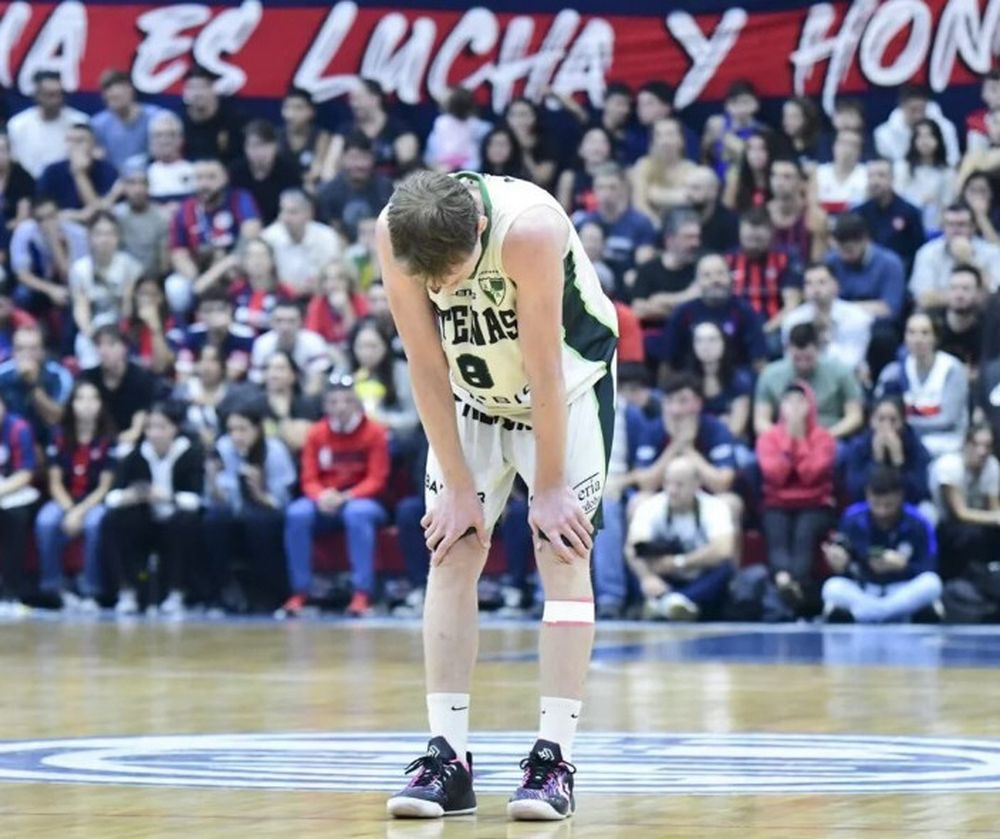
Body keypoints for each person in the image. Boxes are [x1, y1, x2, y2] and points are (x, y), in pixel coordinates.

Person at [377, 170, 618, 821]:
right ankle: (448, 756)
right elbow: (426, 365)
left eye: (449, 275)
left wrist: (548, 488)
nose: (439, 289)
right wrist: (457, 487)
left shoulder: (528, 229)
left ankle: (553, 759)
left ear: (478, 232)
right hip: (473, 399)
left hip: (564, 392)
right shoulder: (396, 231)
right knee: (451, 548)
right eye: (427, 278)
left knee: (561, 548)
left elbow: (543, 366)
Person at [280, 376, 390, 619]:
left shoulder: (374, 432)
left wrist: (347, 496)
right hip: (325, 500)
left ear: (357, 403)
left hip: (363, 501)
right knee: (297, 513)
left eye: (347, 401)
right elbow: (308, 478)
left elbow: (377, 479)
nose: (340, 407)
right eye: (333, 401)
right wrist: (321, 496)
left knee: (357, 513)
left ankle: (362, 593)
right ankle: (300, 591)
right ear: (325, 405)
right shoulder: (316, 433)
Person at [103, 400, 204, 617]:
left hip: (175, 522)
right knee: (114, 520)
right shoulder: (137, 454)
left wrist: (167, 497)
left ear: (174, 429)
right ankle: (127, 590)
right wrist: (129, 496)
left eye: (161, 427)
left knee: (185, 522)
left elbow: (197, 500)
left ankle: (177, 592)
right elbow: (112, 496)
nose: (154, 433)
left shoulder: (190, 453)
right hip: (144, 520)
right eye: (149, 427)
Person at [203, 403, 297, 612]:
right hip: (234, 512)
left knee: (259, 521)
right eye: (232, 430)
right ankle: (223, 591)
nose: (236, 436)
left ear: (257, 429)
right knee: (213, 520)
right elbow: (218, 499)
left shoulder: (274, 451)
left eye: (243, 429)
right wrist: (212, 481)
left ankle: (269, 593)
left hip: (268, 511)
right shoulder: (223, 447)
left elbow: (284, 501)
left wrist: (260, 493)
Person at [821, 466, 943, 623]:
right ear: (867, 495)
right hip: (865, 590)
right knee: (831, 587)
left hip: (902, 589)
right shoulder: (852, 519)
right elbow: (845, 565)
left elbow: (930, 567)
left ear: (900, 497)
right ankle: (891, 614)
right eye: (876, 504)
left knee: (932, 584)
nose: (882, 512)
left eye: (888, 505)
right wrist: (840, 564)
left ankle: (866, 615)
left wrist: (904, 567)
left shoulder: (918, 522)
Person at [35, 380, 116, 611]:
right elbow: (55, 482)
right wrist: (70, 510)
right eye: (81, 398)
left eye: (93, 398)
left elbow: (104, 487)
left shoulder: (108, 439)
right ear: (72, 404)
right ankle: (53, 587)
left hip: (94, 502)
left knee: (94, 524)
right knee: (46, 521)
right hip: (65, 499)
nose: (87, 404)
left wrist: (80, 512)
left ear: (101, 404)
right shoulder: (59, 436)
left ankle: (91, 589)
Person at [756, 382, 836, 613]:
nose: (793, 407)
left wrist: (798, 439)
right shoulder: (768, 438)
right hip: (777, 503)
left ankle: (795, 584)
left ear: (810, 406)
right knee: (776, 532)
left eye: (800, 401)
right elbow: (776, 475)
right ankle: (784, 581)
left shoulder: (823, 438)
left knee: (804, 533)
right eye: (788, 401)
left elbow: (810, 474)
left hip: (815, 504)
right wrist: (789, 440)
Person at [626, 456, 735, 621]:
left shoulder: (714, 507)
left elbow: (723, 549)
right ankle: (674, 603)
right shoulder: (650, 507)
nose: (672, 490)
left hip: (697, 577)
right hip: (662, 578)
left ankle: (669, 602)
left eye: (679, 484)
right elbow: (632, 548)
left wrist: (680, 562)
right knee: (637, 563)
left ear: (696, 485)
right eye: (668, 483)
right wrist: (647, 577)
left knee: (725, 567)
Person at [167, 158, 261, 317]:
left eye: (211, 177)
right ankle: (183, 327)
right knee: (175, 286)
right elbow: (178, 252)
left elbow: (251, 233)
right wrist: (197, 277)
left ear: (224, 178)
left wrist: (227, 264)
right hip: (202, 271)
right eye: (199, 178)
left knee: (257, 257)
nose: (204, 184)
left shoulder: (239, 199)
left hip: (236, 265)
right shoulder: (185, 209)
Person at [877, 312, 969, 459]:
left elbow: (948, 419)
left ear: (935, 338)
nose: (917, 339)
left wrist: (906, 424)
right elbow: (880, 412)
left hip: (945, 443)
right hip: (906, 441)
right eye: (911, 333)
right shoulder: (894, 372)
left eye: (925, 333)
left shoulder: (951, 369)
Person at [656, 253, 767, 376]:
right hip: (692, 377)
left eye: (720, 273)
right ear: (697, 282)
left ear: (730, 278)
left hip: (735, 377)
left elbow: (759, 359)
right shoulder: (683, 313)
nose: (715, 280)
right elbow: (667, 361)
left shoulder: (744, 310)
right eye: (707, 275)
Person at [754, 323, 863, 439]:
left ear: (818, 348)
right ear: (788, 349)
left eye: (808, 358)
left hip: (830, 436)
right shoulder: (770, 375)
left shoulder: (841, 371)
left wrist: (826, 436)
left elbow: (855, 415)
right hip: (784, 440)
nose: (803, 364)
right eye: (798, 359)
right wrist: (782, 439)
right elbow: (761, 420)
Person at [69, 211, 143, 368]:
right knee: (84, 345)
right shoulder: (79, 269)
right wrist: (91, 335)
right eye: (99, 234)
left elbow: (129, 309)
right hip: (94, 327)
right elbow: (80, 306)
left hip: (122, 327)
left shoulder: (130, 265)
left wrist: (120, 335)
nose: (104, 239)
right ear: (89, 237)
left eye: (110, 234)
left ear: (118, 237)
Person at [725, 207, 802, 351]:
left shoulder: (786, 259)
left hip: (772, 328)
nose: (753, 245)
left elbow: (791, 305)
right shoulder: (728, 260)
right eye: (749, 239)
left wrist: (763, 330)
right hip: (733, 327)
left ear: (771, 234)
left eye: (758, 240)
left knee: (773, 345)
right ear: (740, 234)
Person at [932, 423, 1000, 579]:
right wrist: (997, 518)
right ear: (966, 444)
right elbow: (960, 513)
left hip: (978, 522)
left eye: (987, 446)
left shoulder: (992, 466)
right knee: (970, 535)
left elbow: (994, 507)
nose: (982, 452)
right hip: (947, 522)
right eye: (976, 445)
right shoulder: (949, 466)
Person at [572, 163, 657, 287]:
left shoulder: (640, 223)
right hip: (588, 285)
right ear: (593, 190)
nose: (606, 193)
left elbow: (644, 266)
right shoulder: (582, 222)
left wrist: (637, 274)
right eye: (600, 187)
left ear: (623, 189)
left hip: (625, 288)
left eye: (612, 187)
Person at [9, 195, 88, 325]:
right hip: (38, 282)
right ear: (34, 221)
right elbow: (22, 274)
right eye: (41, 219)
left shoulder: (76, 234)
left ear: (58, 215)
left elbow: (71, 277)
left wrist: (55, 244)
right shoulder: (25, 232)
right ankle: (30, 329)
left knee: (73, 299)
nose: (48, 222)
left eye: (51, 216)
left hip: (68, 284)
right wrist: (50, 289)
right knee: (21, 294)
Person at [841, 394, 932, 509]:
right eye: (881, 419)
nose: (886, 426)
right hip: (869, 506)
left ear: (903, 422)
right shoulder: (859, 446)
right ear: (871, 421)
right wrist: (877, 461)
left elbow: (920, 492)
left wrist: (898, 461)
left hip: (907, 506)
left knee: (928, 511)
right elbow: (856, 492)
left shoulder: (915, 445)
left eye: (893, 420)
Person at [782, 262, 872, 372]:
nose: (815, 289)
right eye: (809, 283)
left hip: (847, 380)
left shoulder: (856, 317)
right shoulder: (793, 320)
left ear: (836, 285)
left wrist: (825, 338)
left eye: (822, 282)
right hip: (804, 380)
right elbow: (789, 361)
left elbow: (850, 363)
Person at [81, 325, 158, 454]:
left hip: (131, 443)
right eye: (99, 345)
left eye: (111, 344)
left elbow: (137, 427)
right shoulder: (88, 378)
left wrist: (122, 439)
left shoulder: (140, 378)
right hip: (96, 439)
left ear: (124, 348)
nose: (103, 351)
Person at [910, 202, 1000, 309]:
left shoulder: (992, 253)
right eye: (950, 224)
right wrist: (966, 297)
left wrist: (969, 260)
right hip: (938, 314)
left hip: (981, 314)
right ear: (942, 227)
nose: (955, 230)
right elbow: (923, 298)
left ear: (973, 227)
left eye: (961, 224)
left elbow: (995, 295)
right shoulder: (927, 253)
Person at [262, 188, 343, 298]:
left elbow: (335, 272)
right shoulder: (268, 237)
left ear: (308, 213)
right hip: (280, 297)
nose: (286, 218)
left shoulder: (327, 237)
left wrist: (316, 285)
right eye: (283, 211)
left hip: (319, 295)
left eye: (293, 212)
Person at [0, 389, 39, 614]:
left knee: (14, 519)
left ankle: (10, 594)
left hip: (16, 493)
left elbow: (26, 473)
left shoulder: (18, 429)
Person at [6, 70, 87, 179]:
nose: (56, 100)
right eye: (50, 95)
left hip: (69, 186)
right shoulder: (17, 125)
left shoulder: (80, 122)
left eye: (59, 94)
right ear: (37, 95)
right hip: (28, 188)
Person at [316, 131, 394, 243]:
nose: (359, 165)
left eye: (364, 158)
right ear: (343, 159)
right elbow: (330, 230)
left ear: (372, 159)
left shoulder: (385, 188)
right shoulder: (328, 191)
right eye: (354, 158)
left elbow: (389, 226)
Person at [0, 324, 72, 445]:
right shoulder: (2, 374)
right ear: (13, 352)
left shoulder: (59, 375)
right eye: (20, 348)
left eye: (32, 349)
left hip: (49, 440)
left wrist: (33, 384)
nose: (26, 354)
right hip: (12, 443)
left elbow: (55, 419)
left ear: (42, 351)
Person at [855, 157, 926, 276]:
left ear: (892, 179)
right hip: (864, 273)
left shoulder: (910, 212)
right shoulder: (858, 213)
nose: (875, 181)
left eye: (881, 175)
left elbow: (919, 252)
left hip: (900, 273)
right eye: (871, 176)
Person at [630, 207, 700, 324]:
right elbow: (638, 310)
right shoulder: (648, 269)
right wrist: (686, 298)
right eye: (688, 237)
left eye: (697, 237)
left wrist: (662, 299)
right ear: (670, 240)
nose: (695, 243)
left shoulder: (700, 267)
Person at [37, 122, 118, 222]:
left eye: (80, 141)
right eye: (69, 140)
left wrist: (80, 174)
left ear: (93, 144)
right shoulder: (52, 171)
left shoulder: (107, 170)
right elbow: (41, 209)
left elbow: (100, 214)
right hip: (61, 225)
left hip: (97, 229)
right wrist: (77, 216)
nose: (73, 146)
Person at [687, 321, 752, 441]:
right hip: (695, 443)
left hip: (732, 442)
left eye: (712, 340)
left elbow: (736, 428)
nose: (705, 346)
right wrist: (719, 423)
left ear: (723, 343)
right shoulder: (685, 382)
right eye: (699, 340)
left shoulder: (740, 380)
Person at [229, 119, 302, 225]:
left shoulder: (290, 170)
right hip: (245, 226)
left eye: (265, 145)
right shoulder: (235, 171)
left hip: (281, 225)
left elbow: (295, 204)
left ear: (275, 146)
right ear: (245, 148)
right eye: (254, 146)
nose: (260, 152)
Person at [171, 290, 255, 381]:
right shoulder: (192, 334)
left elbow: (232, 375)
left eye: (220, 309)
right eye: (208, 311)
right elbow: (183, 373)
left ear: (230, 310)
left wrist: (199, 368)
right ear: (199, 315)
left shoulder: (243, 335)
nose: (215, 315)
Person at [249, 299, 330, 394]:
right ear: (271, 322)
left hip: (305, 394)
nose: (285, 327)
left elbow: (316, 382)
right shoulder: (262, 344)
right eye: (279, 321)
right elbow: (258, 382)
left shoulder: (313, 341)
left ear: (301, 322)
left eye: (291, 321)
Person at [874, 84, 960, 167]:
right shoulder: (883, 134)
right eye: (913, 110)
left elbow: (953, 161)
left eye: (922, 109)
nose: (918, 116)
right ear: (902, 106)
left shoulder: (946, 128)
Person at [893, 118, 954, 235]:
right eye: (920, 136)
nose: (924, 141)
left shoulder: (947, 172)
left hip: (936, 227)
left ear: (938, 140)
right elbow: (897, 198)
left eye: (929, 136)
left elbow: (948, 204)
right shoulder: (902, 167)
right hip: (906, 224)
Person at [629, 117, 697, 222]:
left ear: (681, 140)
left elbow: (690, 200)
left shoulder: (691, 169)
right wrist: (658, 227)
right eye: (658, 135)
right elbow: (639, 204)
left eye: (670, 134)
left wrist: (654, 195)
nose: (664, 141)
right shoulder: (644, 165)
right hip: (650, 227)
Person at [90, 69, 159, 172]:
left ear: (130, 90)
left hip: (149, 177)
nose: (111, 98)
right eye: (109, 97)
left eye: (117, 97)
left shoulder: (155, 118)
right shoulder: (98, 124)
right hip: (113, 179)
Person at [114, 161, 170, 279]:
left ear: (149, 186)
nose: (138, 189)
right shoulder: (115, 215)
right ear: (123, 187)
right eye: (131, 183)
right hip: (121, 279)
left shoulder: (162, 217)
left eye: (142, 183)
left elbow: (164, 265)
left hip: (154, 280)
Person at [259, 350, 321, 456]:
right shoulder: (256, 404)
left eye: (280, 369)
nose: (272, 374)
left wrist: (283, 416)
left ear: (293, 375)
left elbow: (298, 443)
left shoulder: (306, 404)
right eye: (268, 369)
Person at [181, 65, 246, 163]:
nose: (197, 94)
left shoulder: (233, 119)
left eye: (203, 87)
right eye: (192, 88)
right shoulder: (178, 121)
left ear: (213, 89)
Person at [767, 156, 826, 264]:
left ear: (801, 183)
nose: (779, 183)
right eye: (775, 176)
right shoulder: (763, 214)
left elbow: (818, 262)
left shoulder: (814, 217)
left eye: (787, 177)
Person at [424, 87, 492, 173]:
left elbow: (481, 159)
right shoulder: (442, 123)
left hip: (472, 170)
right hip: (443, 169)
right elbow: (431, 156)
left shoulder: (481, 127)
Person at [278, 87, 330, 192]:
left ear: (311, 112)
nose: (291, 114)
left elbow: (317, 172)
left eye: (298, 108)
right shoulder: (275, 136)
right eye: (287, 108)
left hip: (308, 189)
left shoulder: (322, 137)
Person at [557, 126, 615, 215]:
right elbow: (561, 215)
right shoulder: (569, 177)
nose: (597, 146)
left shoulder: (618, 178)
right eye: (592, 141)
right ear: (580, 150)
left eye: (603, 142)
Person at [937, 263, 984, 373]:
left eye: (966, 289)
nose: (959, 295)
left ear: (978, 293)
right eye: (953, 288)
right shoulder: (931, 323)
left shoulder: (990, 327)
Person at [503, 97, 559, 189]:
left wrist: (524, 151)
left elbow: (541, 179)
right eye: (513, 115)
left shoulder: (547, 141)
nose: (519, 120)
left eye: (523, 114)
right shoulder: (500, 138)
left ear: (534, 117)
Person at [683, 165, 739, 253]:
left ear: (713, 191)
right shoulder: (675, 217)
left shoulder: (731, 222)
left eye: (695, 188)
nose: (688, 194)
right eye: (686, 188)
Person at [145, 110, 194, 205]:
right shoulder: (141, 173)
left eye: (171, 135)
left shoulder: (195, 170)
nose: (165, 141)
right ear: (150, 140)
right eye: (158, 135)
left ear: (181, 139)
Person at [813, 129, 867, 214]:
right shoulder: (819, 172)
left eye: (853, 145)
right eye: (843, 143)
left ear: (859, 151)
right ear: (834, 146)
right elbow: (812, 206)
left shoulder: (867, 173)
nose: (847, 149)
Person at [722, 129, 774, 213]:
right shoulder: (735, 177)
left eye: (762, 148)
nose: (756, 154)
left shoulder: (778, 176)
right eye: (751, 149)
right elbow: (727, 211)